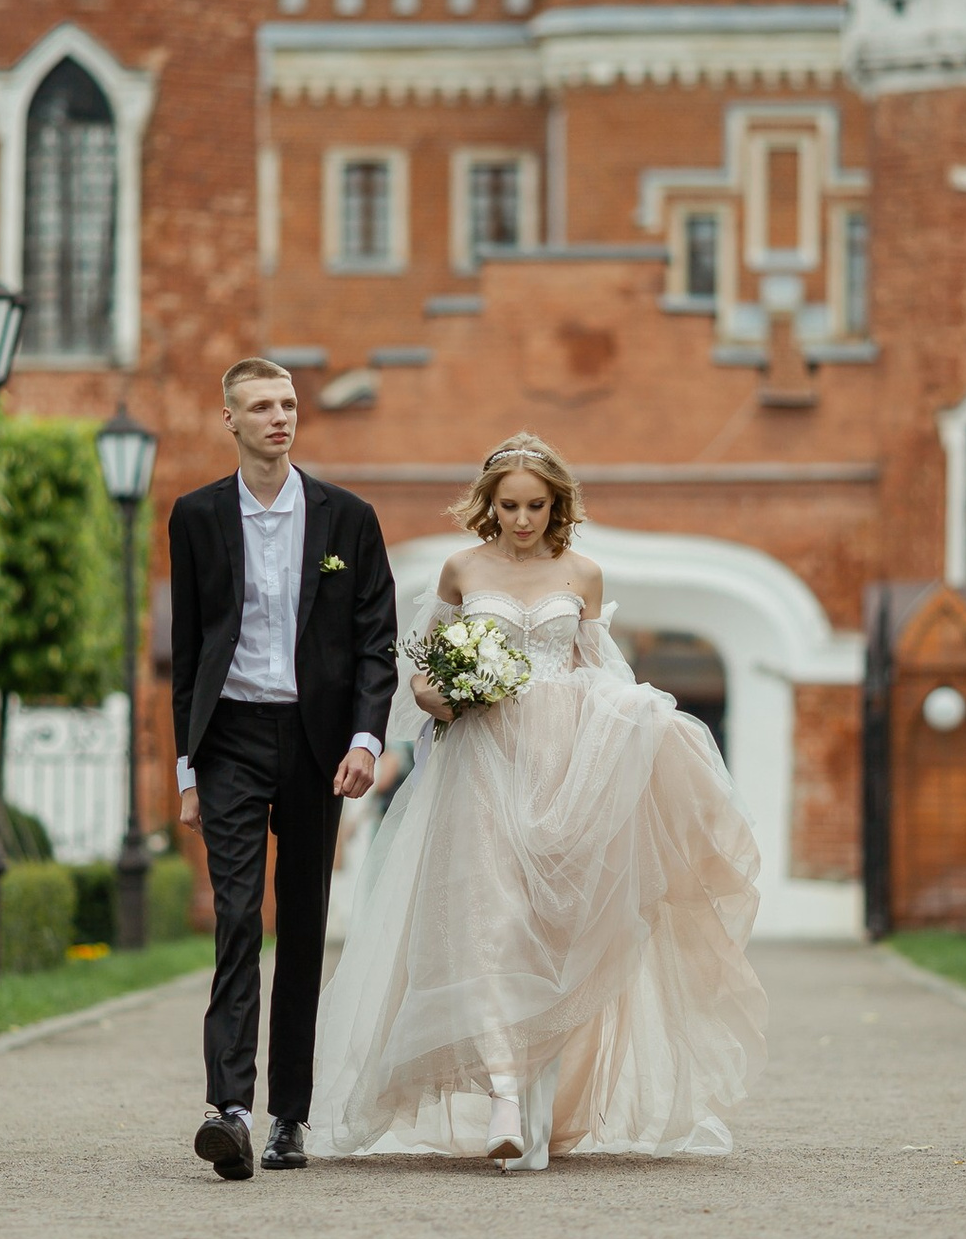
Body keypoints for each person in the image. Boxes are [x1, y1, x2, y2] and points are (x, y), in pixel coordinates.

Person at [309, 433, 766, 1171]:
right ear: (488, 504)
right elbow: (418, 681)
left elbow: (598, 669)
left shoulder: (581, 573)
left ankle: (540, 1101)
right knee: (490, 924)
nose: (522, 518)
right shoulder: (462, 570)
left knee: (553, 931)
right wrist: (454, 694)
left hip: (564, 769)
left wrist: (639, 717)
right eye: (509, 504)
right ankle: (501, 1098)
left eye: (536, 505)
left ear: (557, 506)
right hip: (481, 766)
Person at [170, 358, 399, 1180]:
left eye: (289, 404)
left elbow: (377, 643)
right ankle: (228, 1108)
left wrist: (366, 740)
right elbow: (188, 653)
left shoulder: (348, 518)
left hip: (315, 747)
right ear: (228, 418)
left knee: (302, 925)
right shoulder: (195, 516)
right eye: (261, 405)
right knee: (238, 917)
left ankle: (288, 1116)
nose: (279, 417)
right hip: (229, 737)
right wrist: (188, 771)